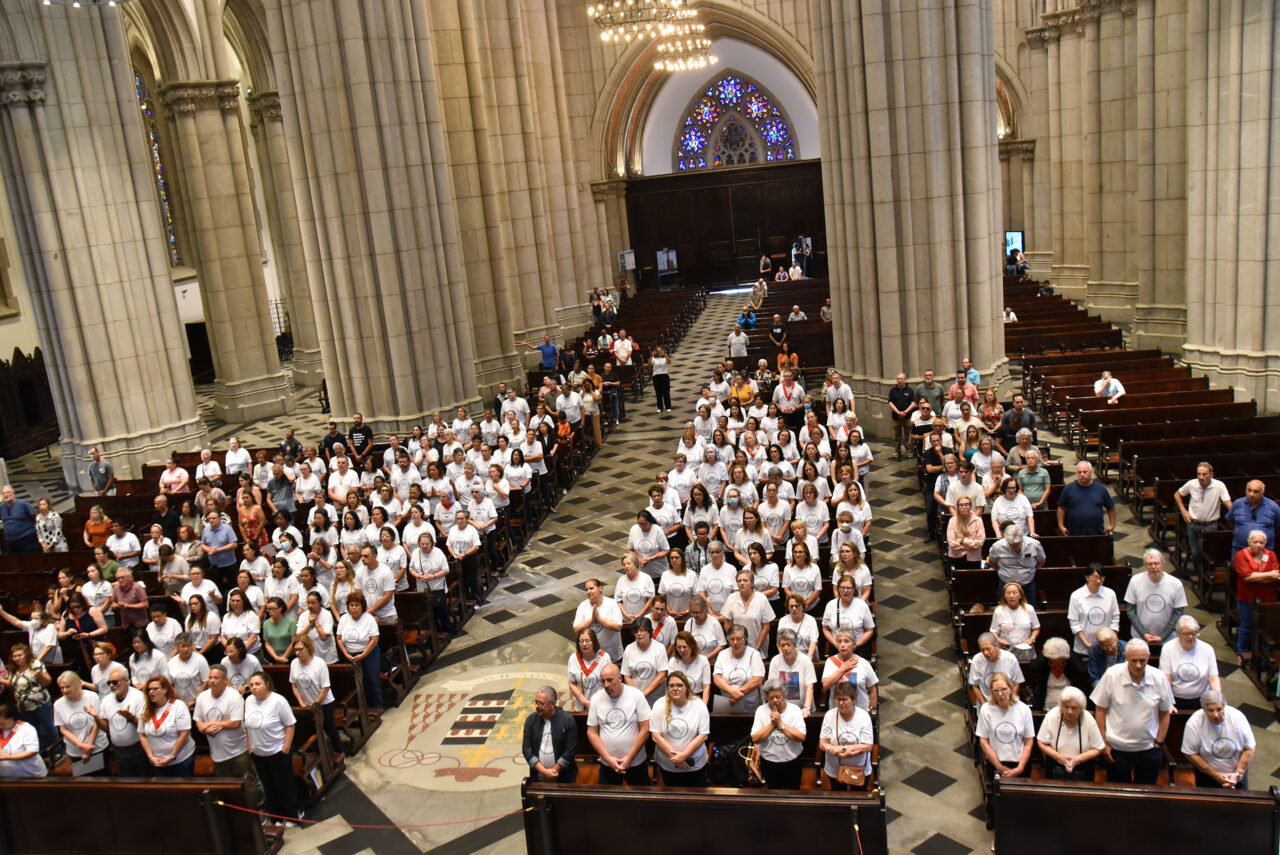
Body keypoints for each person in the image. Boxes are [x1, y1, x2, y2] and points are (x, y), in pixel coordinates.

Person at [1091, 639, 1173, 785]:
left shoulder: (1159, 677)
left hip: (1148, 748)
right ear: (1125, 656)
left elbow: (1165, 712)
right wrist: (1103, 742)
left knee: (1147, 794)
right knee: (1118, 793)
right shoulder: (1112, 675)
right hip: (1117, 748)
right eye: (1134, 660)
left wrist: (1159, 742)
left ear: (1148, 657)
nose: (1138, 665)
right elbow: (1100, 709)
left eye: (1143, 660)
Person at [245, 671, 300, 825]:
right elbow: (248, 726)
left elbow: (290, 725)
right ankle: (276, 817)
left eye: (258, 684)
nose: (254, 688)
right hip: (258, 753)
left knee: (284, 786)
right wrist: (250, 748)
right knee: (268, 787)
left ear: (267, 684)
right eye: (251, 685)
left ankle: (292, 817)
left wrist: (285, 749)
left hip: (277, 752)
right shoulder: (249, 701)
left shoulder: (278, 701)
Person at [586, 664, 651, 785]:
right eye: (603, 681)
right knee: (609, 801)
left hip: (635, 762)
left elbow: (645, 729)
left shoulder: (636, 695)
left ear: (620, 678)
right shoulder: (596, 699)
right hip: (608, 763)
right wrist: (608, 758)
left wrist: (629, 757)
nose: (606, 685)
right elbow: (592, 732)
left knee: (641, 800)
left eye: (610, 680)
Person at [194, 663, 256, 784]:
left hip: (238, 751)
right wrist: (204, 729)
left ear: (225, 680)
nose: (212, 681)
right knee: (226, 785)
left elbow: (235, 723)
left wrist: (209, 724)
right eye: (210, 677)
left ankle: (258, 803)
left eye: (216, 678)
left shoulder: (234, 696)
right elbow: (198, 721)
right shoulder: (202, 697)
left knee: (250, 783)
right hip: (217, 753)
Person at [1181, 690, 1256, 790]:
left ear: (1225, 706)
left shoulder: (1237, 718)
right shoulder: (1194, 723)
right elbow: (1190, 753)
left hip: (1237, 774)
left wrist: (1238, 773)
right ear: (1203, 709)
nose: (1216, 715)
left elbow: (1249, 748)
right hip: (1208, 776)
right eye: (1211, 710)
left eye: (1219, 709)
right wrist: (1215, 775)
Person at [648, 671, 710, 787]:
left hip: (694, 764)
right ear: (667, 688)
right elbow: (656, 736)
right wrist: (675, 757)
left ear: (686, 687)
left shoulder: (699, 705)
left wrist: (684, 755)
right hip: (668, 764)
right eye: (671, 685)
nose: (675, 688)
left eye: (679, 685)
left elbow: (703, 735)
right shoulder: (659, 705)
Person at [289, 635, 346, 756]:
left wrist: (316, 705)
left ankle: (339, 752)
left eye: (301, 649)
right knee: (312, 731)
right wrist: (301, 702)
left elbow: (325, 688)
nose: (298, 653)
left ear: (309, 648)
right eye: (296, 650)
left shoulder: (319, 664)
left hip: (324, 703)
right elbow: (294, 685)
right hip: (307, 704)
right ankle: (319, 755)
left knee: (329, 728)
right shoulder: (294, 663)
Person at [1175, 462, 1232, 582]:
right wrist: (1183, 510)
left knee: (1209, 553)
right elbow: (1177, 495)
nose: (1201, 477)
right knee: (1195, 553)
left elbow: (1228, 503)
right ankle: (1199, 575)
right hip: (1193, 524)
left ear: (1211, 474)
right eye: (1199, 474)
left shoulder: (1219, 486)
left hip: (1210, 525)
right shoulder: (1192, 484)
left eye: (1204, 474)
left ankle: (1207, 575)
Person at [1036, 686, 1104, 780]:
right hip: (1055, 768)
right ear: (1061, 706)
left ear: (1081, 708)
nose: (1070, 711)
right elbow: (1041, 742)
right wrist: (1060, 757)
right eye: (1066, 707)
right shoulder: (1051, 716)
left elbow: (1098, 748)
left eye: (1074, 708)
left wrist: (1078, 759)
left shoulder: (1088, 719)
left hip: (1084, 770)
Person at [1123, 548, 1186, 649]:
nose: (1153, 567)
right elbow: (1131, 610)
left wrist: (1162, 636)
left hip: (1167, 640)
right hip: (1140, 638)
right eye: (1149, 564)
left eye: (1156, 563)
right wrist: (1144, 633)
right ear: (1145, 565)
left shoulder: (1176, 584)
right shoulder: (1135, 581)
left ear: (1163, 563)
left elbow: (1178, 613)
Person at [976, 672, 1034, 780]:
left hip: (1019, 763)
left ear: (1011, 689)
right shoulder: (986, 709)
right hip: (996, 763)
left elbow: (1028, 742)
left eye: (1004, 689)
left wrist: (1020, 767)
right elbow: (983, 741)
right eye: (996, 691)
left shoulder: (1024, 710)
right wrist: (999, 766)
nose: (1000, 694)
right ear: (992, 692)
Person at [1233, 529, 1279, 665]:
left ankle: (1264, 653)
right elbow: (1246, 577)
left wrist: (1259, 577)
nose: (1258, 545)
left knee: (1266, 626)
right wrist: (1268, 576)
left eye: (1261, 542)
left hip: (1267, 597)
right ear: (1249, 542)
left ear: (1265, 543)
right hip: (1247, 597)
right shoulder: (1241, 555)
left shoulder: (1271, 555)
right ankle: (1241, 652)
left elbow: (1276, 575)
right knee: (1247, 625)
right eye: (1255, 542)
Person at [750, 680, 807, 789]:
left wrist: (781, 725)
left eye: (778, 697)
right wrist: (772, 724)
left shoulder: (795, 710)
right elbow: (755, 738)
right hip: (769, 763)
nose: (775, 700)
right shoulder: (761, 711)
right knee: (773, 795)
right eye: (771, 698)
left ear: (784, 695)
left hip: (791, 763)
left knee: (793, 794)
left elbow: (801, 737)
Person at [94, 664, 148, 776]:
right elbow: (107, 729)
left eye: (115, 682)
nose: (112, 686)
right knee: (127, 781)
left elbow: (146, 727)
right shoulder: (106, 700)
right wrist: (96, 718)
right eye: (109, 683)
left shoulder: (139, 697)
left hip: (139, 748)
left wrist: (131, 718)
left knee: (144, 779)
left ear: (126, 681)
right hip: (118, 750)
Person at [1159, 616, 1221, 711]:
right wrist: (1168, 702)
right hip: (1176, 699)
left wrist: (1218, 699)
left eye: (1194, 633)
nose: (1191, 637)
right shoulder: (1168, 648)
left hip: (1201, 699)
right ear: (1179, 634)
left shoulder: (1207, 649)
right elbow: (1167, 678)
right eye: (1186, 634)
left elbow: (1213, 678)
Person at [138, 675, 195, 777]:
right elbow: (142, 734)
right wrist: (151, 756)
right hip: (158, 761)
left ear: (165, 690)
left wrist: (172, 756)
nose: (151, 692)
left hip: (181, 760)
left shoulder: (178, 706)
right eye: (149, 689)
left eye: (155, 689)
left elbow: (184, 733)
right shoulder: (145, 709)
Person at [53, 671, 108, 774]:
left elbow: (97, 723)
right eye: (61, 688)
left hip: (97, 747)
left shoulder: (92, 696)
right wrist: (81, 745)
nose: (64, 690)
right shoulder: (58, 704)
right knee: (85, 781)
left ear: (76, 684)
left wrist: (89, 746)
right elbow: (63, 729)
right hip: (76, 751)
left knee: (103, 779)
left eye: (67, 687)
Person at [522, 685, 578, 783]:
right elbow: (527, 750)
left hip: (564, 777)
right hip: (538, 777)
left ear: (553, 704)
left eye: (541, 704)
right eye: (536, 702)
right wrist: (544, 772)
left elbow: (570, 751)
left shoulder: (568, 720)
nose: (537, 706)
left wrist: (554, 770)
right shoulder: (530, 720)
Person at [337, 591, 382, 712]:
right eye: (351, 605)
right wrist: (346, 654)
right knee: (357, 684)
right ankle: (363, 709)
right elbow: (339, 639)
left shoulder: (369, 619)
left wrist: (363, 655)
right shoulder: (343, 619)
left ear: (362, 606)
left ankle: (377, 708)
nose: (354, 608)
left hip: (368, 654)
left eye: (357, 605)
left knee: (373, 681)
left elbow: (374, 639)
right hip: (350, 655)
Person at [1068, 564, 1121, 658]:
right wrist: (1087, 644)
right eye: (1095, 577)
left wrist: (1109, 641)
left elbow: (1115, 618)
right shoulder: (1076, 596)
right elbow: (1074, 623)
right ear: (1087, 577)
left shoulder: (1110, 594)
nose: (1098, 581)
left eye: (1101, 577)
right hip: (1083, 648)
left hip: (1106, 646)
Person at [987, 522, 1045, 605]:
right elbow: (992, 562)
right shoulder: (997, 546)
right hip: (1005, 584)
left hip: (1027, 583)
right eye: (1011, 544)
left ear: (1022, 539)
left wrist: (1032, 570)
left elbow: (1041, 560)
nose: (1014, 547)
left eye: (1016, 544)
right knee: (1005, 612)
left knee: (1029, 611)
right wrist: (1001, 571)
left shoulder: (1034, 544)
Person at [712, 624, 766, 713]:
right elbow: (717, 678)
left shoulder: (754, 654)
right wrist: (732, 692)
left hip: (750, 704)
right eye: (732, 639)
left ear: (745, 640)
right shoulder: (722, 654)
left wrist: (736, 694)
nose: (735, 642)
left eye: (739, 639)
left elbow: (757, 680)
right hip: (727, 703)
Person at [1056, 461, 1116, 536]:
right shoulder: (1068, 489)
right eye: (1079, 472)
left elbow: (1110, 507)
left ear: (1091, 472)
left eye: (1085, 472)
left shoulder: (1101, 489)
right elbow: (1061, 507)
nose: (1082, 475)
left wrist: (1112, 525)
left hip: (1096, 533)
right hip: (1074, 533)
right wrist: (1061, 525)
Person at [573, 578, 624, 662]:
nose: (589, 591)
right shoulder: (582, 606)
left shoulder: (612, 604)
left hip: (612, 655)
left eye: (591, 588)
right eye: (586, 589)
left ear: (600, 588)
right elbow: (576, 629)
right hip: (592, 656)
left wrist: (599, 619)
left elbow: (618, 627)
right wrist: (592, 620)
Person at [621, 618, 668, 706]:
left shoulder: (659, 648)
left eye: (642, 630)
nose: (639, 634)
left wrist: (644, 694)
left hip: (656, 698)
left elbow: (661, 676)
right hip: (636, 698)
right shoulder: (629, 649)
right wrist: (637, 694)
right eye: (636, 631)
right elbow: (627, 676)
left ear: (649, 632)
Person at [768, 628, 816, 715]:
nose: (785, 648)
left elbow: (810, 686)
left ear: (794, 644)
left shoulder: (806, 660)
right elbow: (771, 687)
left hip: (803, 709)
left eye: (788, 644)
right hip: (782, 709)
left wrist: (806, 707)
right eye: (782, 645)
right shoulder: (775, 661)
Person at [968, 632, 1024, 705]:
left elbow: (1017, 683)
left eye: (988, 649)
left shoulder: (1010, 658)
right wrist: (984, 705)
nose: (985, 653)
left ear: (997, 646)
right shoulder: (977, 660)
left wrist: (1009, 701)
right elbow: (974, 686)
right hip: (986, 703)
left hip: (1006, 703)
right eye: (983, 650)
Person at [1226, 480, 1280, 553]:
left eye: (1256, 491)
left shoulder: (1273, 507)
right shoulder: (1237, 504)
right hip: (1240, 549)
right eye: (1249, 490)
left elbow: (1277, 527)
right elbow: (1230, 521)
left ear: (1262, 492)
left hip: (1265, 550)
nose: (1251, 494)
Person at [0, 702, 46, 777]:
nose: (0, 726)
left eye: (2, 723)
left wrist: (7, 757)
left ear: (11, 718)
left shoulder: (26, 729)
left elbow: (32, 751)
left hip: (31, 775)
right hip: (7, 777)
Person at [946, 496, 985, 570]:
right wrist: (971, 545)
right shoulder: (952, 521)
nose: (964, 507)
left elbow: (980, 542)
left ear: (970, 506)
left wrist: (963, 541)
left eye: (966, 504)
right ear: (957, 507)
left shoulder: (978, 521)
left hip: (974, 558)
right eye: (961, 505)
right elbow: (951, 543)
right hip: (957, 558)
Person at [0, 486, 39, 553]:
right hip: (10, 541)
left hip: (26, 539)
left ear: (13, 493)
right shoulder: (1, 507)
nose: (6, 495)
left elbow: (35, 517)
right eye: (3, 493)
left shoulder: (23, 504)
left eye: (8, 492)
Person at [886, 373, 916, 459]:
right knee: (896, 436)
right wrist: (898, 412)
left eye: (901, 379)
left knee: (908, 435)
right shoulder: (893, 390)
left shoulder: (909, 390)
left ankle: (908, 451)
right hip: (896, 417)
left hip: (907, 417)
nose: (899, 380)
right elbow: (890, 402)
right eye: (898, 379)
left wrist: (905, 412)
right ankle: (897, 451)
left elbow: (913, 403)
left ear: (905, 380)